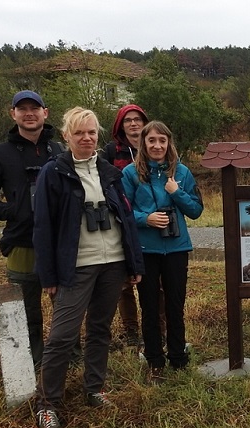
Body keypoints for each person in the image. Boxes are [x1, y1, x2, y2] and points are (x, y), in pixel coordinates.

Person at [33, 107, 144, 428]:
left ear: (98, 136)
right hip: (76, 267)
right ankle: (47, 403)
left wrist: (133, 263)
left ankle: (94, 388)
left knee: (100, 330)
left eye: (91, 132)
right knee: (62, 336)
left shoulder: (109, 171)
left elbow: (125, 219)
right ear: (67, 136)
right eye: (79, 132)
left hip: (112, 263)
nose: (86, 138)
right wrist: (49, 275)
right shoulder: (54, 173)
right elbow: (43, 228)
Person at [0, 90, 63, 369]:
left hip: (60, 244)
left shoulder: (60, 151)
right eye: (22, 108)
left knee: (65, 307)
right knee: (27, 310)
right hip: (21, 243)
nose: (29, 113)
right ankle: (32, 362)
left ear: (45, 113)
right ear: (13, 114)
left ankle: (68, 358)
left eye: (34, 108)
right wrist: (12, 211)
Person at [122, 121, 203, 383]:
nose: (157, 146)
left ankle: (178, 356)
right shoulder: (131, 174)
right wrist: (147, 219)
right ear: (143, 143)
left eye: (162, 141)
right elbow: (123, 211)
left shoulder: (182, 172)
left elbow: (196, 210)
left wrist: (176, 192)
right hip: (146, 250)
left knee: (175, 305)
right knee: (149, 306)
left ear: (169, 144)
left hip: (177, 249)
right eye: (152, 141)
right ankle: (155, 361)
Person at [104, 104, 153, 348]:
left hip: (150, 223)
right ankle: (131, 331)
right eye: (128, 121)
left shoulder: (156, 147)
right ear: (121, 126)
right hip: (120, 221)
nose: (133, 124)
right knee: (125, 280)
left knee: (155, 281)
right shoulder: (112, 151)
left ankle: (157, 327)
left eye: (138, 119)